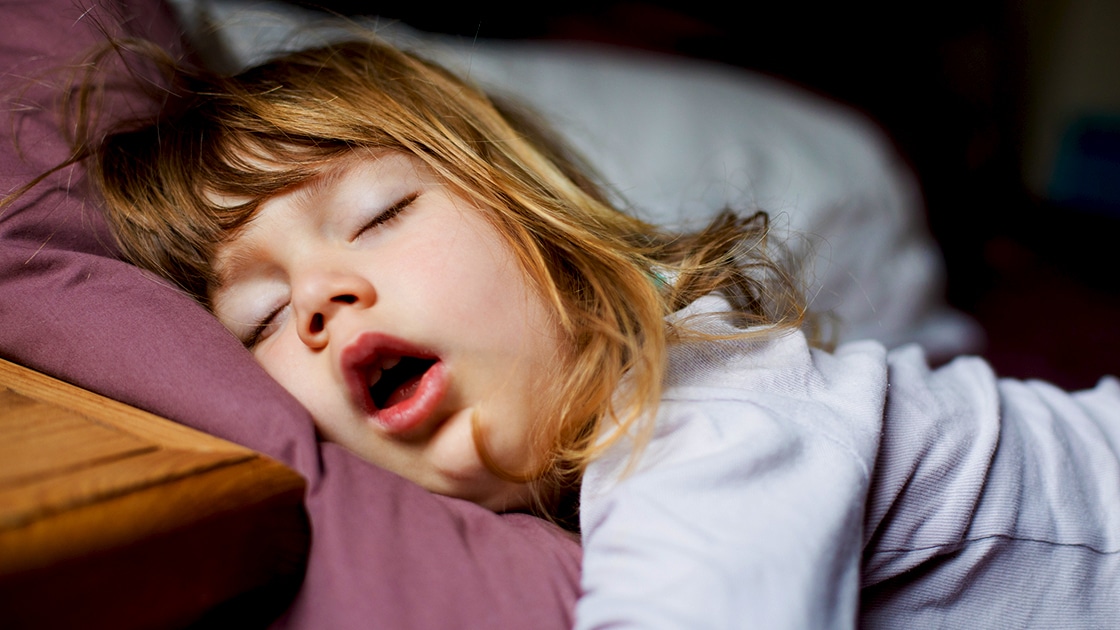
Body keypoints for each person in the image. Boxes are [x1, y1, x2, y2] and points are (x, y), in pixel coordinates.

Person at [21, 33, 1120, 628]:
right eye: (259, 320)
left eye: (380, 215)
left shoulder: (708, 418)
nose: (318, 299)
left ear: (543, 234)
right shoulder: (566, 496)